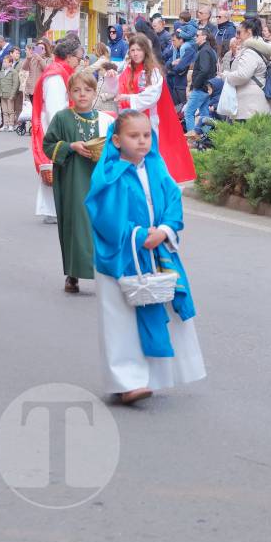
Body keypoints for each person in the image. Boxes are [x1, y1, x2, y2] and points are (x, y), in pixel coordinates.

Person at [84, 109, 206, 404]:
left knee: (158, 308)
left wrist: (164, 230)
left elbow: (173, 200)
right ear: (116, 140)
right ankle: (125, 382)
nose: (142, 141)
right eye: (133, 136)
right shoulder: (109, 174)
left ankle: (152, 376)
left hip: (155, 248)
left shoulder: (156, 166)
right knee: (120, 320)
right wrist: (138, 235)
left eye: (147, 135)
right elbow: (105, 216)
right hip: (120, 256)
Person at [42, 68, 115, 294]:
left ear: (94, 93)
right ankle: (72, 274)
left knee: (100, 224)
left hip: (99, 180)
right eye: (76, 90)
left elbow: (116, 147)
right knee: (76, 225)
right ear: (70, 94)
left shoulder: (105, 120)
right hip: (73, 180)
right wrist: (70, 146)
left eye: (87, 90)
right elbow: (48, 145)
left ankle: (103, 273)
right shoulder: (62, 118)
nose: (82, 94)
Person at [100, 35, 196, 183]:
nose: (135, 53)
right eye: (132, 50)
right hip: (127, 121)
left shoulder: (153, 72)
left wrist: (129, 98)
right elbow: (115, 90)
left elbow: (152, 97)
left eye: (139, 50)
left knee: (147, 157)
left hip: (148, 122)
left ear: (145, 51)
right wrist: (111, 77)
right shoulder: (127, 70)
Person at [32, 36, 85, 223]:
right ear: (69, 57)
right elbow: (55, 110)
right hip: (54, 128)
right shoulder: (55, 75)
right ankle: (54, 210)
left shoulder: (60, 71)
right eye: (78, 58)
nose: (79, 62)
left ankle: (56, 209)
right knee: (55, 166)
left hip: (57, 125)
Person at [218, 17, 271, 121]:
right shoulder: (260, 49)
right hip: (256, 102)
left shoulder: (250, 52)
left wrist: (226, 75)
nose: (237, 36)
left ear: (249, 32)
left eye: (239, 32)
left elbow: (242, 75)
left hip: (250, 105)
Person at [183, 27, 218, 136]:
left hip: (201, 87)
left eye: (197, 35)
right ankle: (205, 137)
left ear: (204, 37)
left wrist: (196, 84)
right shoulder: (209, 50)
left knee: (188, 112)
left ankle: (192, 138)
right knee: (204, 114)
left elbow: (204, 70)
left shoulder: (204, 51)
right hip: (207, 87)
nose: (195, 37)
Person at [166, 25, 196, 107]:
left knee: (183, 108)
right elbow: (167, 63)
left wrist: (170, 70)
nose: (172, 43)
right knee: (176, 108)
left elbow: (180, 67)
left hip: (183, 85)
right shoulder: (175, 50)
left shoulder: (189, 50)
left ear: (181, 40)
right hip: (175, 84)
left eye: (174, 40)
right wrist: (171, 64)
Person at [0, 46, 23, 130]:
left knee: (12, 110)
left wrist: (12, 94)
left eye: (5, 62)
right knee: (4, 111)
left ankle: (12, 124)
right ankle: (5, 124)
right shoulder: (1, 72)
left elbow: (16, 83)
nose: (4, 63)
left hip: (11, 93)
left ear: (10, 63)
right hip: (3, 94)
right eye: (3, 62)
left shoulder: (15, 70)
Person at [22, 39, 52, 104]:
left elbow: (47, 69)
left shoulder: (48, 60)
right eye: (38, 48)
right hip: (32, 89)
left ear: (45, 51)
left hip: (42, 89)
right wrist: (28, 59)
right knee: (34, 107)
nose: (40, 50)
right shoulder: (32, 59)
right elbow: (24, 68)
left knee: (41, 108)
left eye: (42, 48)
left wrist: (40, 59)